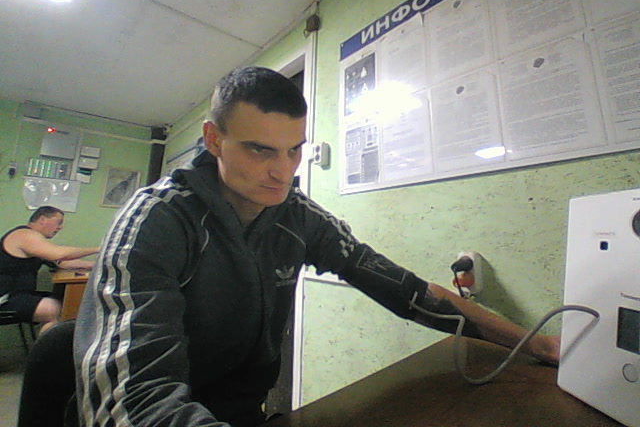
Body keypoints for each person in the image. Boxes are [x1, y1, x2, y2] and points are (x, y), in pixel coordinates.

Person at [74, 66, 560, 427]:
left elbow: (408, 291)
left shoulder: (297, 215)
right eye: (260, 149)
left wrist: (535, 343)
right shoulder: (155, 221)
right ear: (214, 140)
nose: (283, 171)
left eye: (294, 150)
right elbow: (132, 405)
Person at [0, 206, 99, 333]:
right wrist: (98, 249)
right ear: (42, 220)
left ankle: (48, 345)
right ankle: (46, 347)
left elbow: (62, 263)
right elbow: (57, 254)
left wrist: (96, 264)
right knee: (59, 311)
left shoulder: (35, 241)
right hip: (5, 298)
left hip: (18, 295)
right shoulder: (24, 235)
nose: (60, 227)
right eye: (59, 222)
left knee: (67, 304)